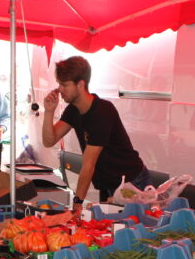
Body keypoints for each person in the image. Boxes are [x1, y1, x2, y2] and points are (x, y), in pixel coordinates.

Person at [42, 56, 149, 216]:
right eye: (59, 84)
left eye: (64, 84)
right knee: (108, 227)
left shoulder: (102, 111)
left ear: (80, 84)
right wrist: (49, 111)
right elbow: (49, 141)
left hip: (131, 182)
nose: (59, 89)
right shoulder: (73, 109)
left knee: (128, 227)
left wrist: (77, 203)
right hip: (108, 183)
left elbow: (88, 164)